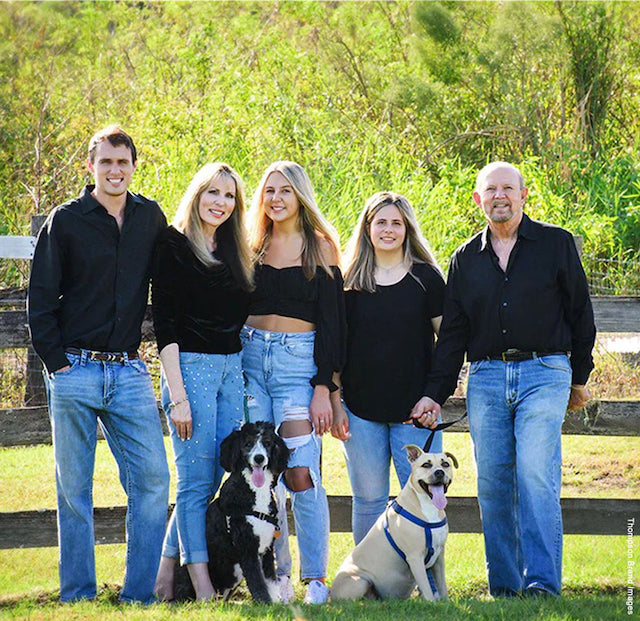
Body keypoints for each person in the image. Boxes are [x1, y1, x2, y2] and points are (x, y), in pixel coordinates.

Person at [414, 161, 596, 598]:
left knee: (536, 474)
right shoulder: (464, 258)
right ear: (478, 199)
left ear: (523, 194)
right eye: (490, 190)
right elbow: (453, 334)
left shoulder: (555, 244)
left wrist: (580, 375)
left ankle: (542, 585)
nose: (500, 196)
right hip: (488, 377)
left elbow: (580, 313)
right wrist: (435, 394)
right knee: (493, 481)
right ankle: (506, 586)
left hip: (544, 370)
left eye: (508, 188)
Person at [27, 126, 170, 604]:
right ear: (90, 167)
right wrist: (57, 366)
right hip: (76, 370)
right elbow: (40, 298)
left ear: (134, 166)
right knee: (74, 492)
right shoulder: (65, 221)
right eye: (105, 162)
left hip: (129, 370)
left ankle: (139, 596)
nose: (115, 170)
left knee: (153, 480)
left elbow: (170, 286)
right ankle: (78, 595)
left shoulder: (150, 218)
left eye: (123, 162)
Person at [241, 161, 345, 604]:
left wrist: (325, 387)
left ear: (300, 196)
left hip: (296, 369)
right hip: (249, 362)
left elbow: (334, 325)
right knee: (261, 477)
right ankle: (277, 575)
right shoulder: (250, 245)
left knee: (301, 474)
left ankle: (315, 578)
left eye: (286, 190)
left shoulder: (321, 248)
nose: (277, 198)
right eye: (269, 190)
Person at [151, 163, 253, 601]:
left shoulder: (235, 249)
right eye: (212, 192)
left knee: (216, 477)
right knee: (194, 483)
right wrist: (178, 397)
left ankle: (162, 577)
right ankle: (202, 588)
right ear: (197, 194)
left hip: (232, 370)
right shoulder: (173, 244)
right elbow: (165, 326)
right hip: (189, 369)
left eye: (229, 196)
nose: (220, 203)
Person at [331, 191, 446, 544]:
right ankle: (368, 581)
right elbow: (334, 347)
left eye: (397, 223)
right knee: (368, 501)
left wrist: (434, 397)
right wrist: (335, 402)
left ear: (407, 229)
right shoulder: (347, 281)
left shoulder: (426, 279)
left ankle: (426, 580)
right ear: (367, 228)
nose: (388, 229)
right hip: (360, 411)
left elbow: (449, 343)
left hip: (415, 412)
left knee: (425, 498)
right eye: (381, 222)